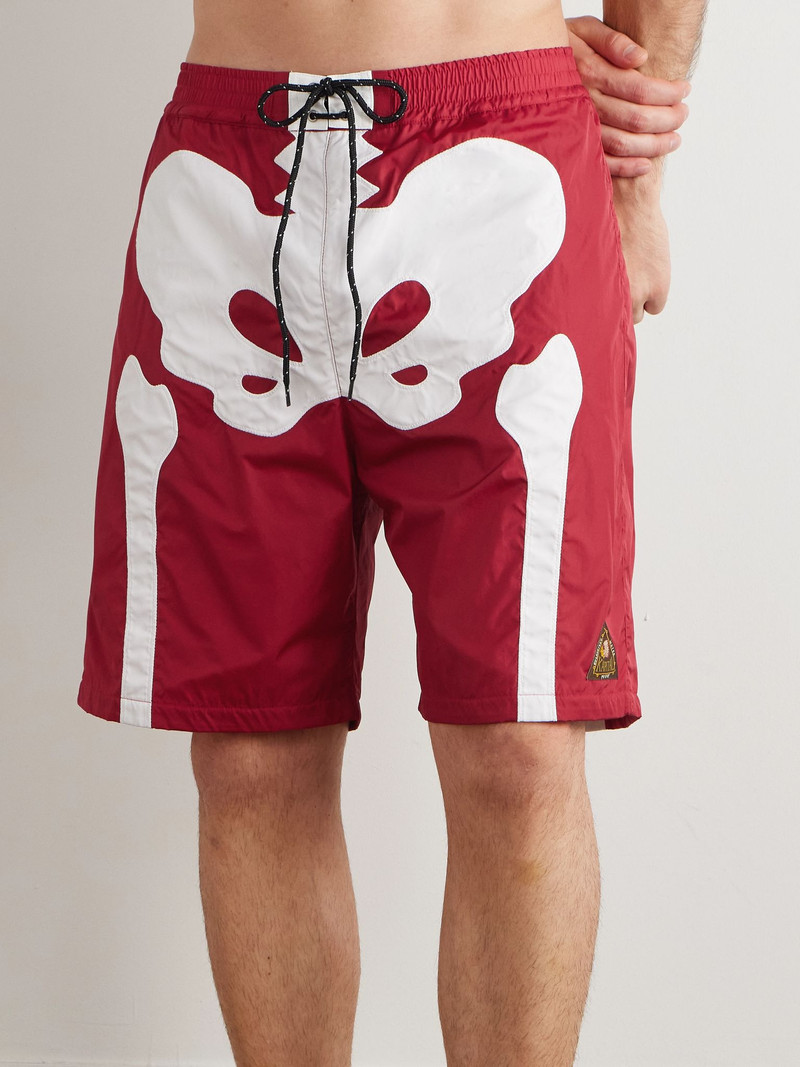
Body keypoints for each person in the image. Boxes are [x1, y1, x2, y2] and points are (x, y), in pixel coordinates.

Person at [77, 1, 706, 1063]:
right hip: (227, 172)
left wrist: (637, 178)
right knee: (250, 752)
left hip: (503, 149)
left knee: (519, 744)